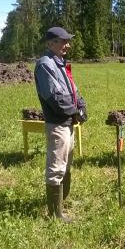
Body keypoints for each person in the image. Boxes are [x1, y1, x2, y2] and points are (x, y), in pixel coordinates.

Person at [34, 26, 87, 222]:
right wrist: (75, 110)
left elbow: (73, 91)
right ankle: (56, 215)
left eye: (67, 41)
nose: (67, 45)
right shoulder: (45, 65)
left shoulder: (60, 64)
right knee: (56, 168)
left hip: (68, 123)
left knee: (66, 164)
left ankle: (62, 203)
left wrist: (81, 106)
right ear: (50, 43)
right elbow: (54, 98)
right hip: (57, 124)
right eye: (63, 41)